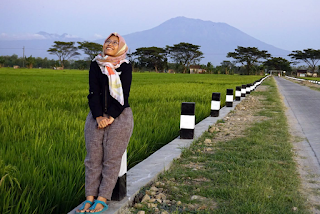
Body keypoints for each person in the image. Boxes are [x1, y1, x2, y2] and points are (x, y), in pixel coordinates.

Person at [76, 32, 134, 213]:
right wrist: (99, 116)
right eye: (107, 41)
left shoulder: (125, 66)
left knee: (111, 159)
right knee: (92, 159)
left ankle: (102, 199)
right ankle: (89, 198)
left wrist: (111, 117)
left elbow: (123, 95)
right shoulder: (96, 64)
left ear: (121, 47)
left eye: (114, 42)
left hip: (120, 117)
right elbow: (93, 92)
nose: (109, 44)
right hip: (96, 117)